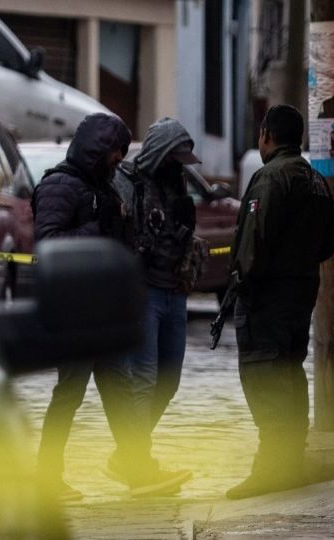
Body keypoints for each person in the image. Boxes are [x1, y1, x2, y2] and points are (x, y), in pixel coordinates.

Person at [32, 112, 191, 500]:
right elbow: (49, 242)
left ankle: (138, 471)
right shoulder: (60, 185)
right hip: (73, 313)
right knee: (68, 395)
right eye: (115, 151)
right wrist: (100, 225)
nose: (120, 158)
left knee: (120, 394)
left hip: (102, 313)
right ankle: (45, 478)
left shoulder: (101, 187)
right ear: (98, 149)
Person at [225, 105, 334, 500]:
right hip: (300, 292)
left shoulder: (270, 178)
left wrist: (241, 284)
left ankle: (272, 468)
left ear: (265, 135)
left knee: (263, 374)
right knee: (289, 372)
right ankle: (290, 462)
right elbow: (330, 244)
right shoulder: (316, 180)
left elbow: (251, 244)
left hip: (267, 296)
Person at [112, 118, 203, 452]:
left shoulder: (176, 184)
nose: (177, 167)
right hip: (143, 293)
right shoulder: (127, 183)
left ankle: (130, 450)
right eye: (172, 158)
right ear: (159, 154)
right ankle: (136, 457)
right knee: (144, 379)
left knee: (168, 381)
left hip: (174, 291)